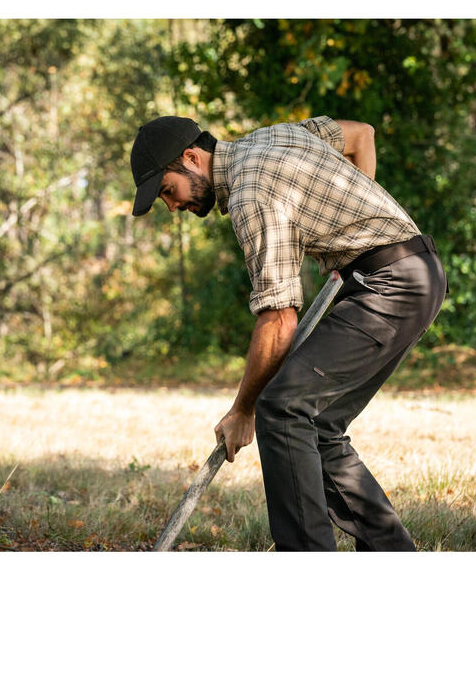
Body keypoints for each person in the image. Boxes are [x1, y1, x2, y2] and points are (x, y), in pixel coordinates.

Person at [130, 114, 447, 551]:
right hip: (413, 272)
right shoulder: (276, 136)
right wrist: (354, 215)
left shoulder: (249, 195)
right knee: (318, 426)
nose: (173, 206)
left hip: (391, 284)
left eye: (169, 190)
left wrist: (244, 409)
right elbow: (361, 136)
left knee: (281, 408)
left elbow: (279, 318)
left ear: (191, 158)